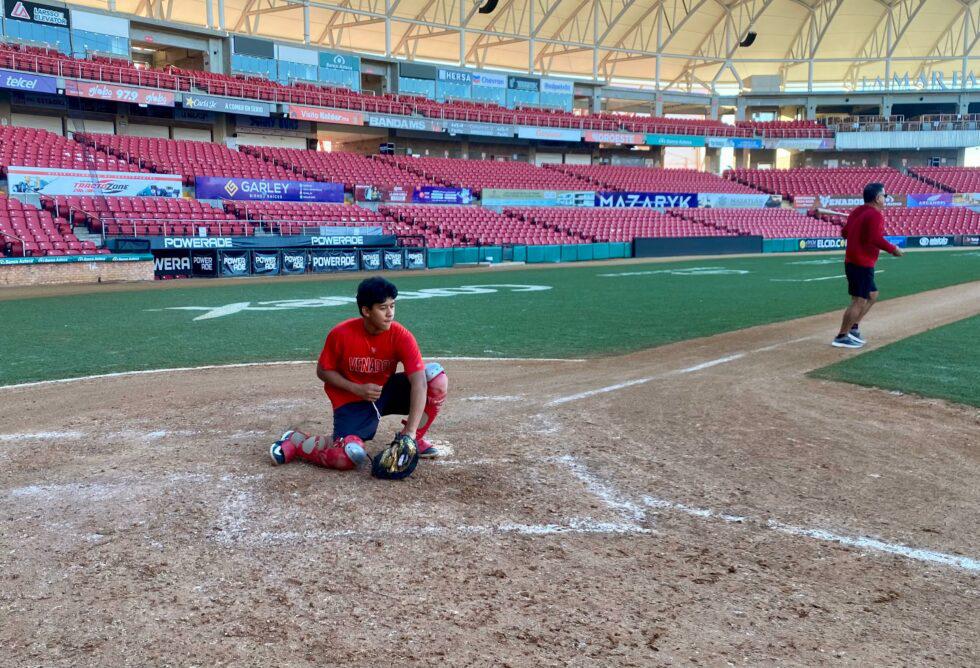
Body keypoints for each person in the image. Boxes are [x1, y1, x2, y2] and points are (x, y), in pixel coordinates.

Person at [269, 276, 448, 470]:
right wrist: (356, 388)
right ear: (366, 310)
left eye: (392, 306)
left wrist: (410, 433)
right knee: (346, 456)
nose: (390, 313)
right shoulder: (341, 333)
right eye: (383, 308)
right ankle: (297, 442)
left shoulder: (401, 335)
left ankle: (414, 441)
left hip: (384, 391)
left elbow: (419, 382)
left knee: (436, 379)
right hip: (351, 401)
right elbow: (322, 371)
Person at [832, 182, 904, 348]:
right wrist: (893, 250)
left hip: (856, 261)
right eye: (884, 196)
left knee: (872, 295)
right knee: (858, 300)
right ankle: (842, 336)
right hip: (861, 262)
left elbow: (844, 233)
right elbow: (875, 238)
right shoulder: (875, 215)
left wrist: (854, 225)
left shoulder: (858, 212)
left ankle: (853, 327)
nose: (886, 199)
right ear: (877, 198)